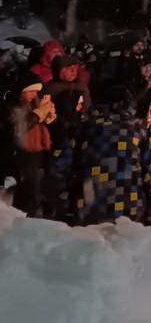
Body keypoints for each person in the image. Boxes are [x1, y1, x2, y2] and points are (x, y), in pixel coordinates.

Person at [75, 80, 151, 226]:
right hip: (131, 207)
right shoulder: (140, 128)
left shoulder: (84, 129)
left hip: (92, 207)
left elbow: (62, 169)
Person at [45, 55, 91, 222]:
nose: (73, 72)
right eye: (68, 69)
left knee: (78, 174)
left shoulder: (81, 87)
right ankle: (54, 208)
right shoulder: (51, 89)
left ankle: (76, 208)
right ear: (59, 71)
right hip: (58, 137)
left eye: (75, 68)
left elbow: (86, 108)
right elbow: (46, 113)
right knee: (57, 174)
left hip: (78, 136)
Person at [10, 74, 56, 216]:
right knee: (28, 188)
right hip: (22, 152)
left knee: (39, 186)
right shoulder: (15, 106)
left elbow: (43, 126)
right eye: (30, 91)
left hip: (38, 151)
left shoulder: (36, 103)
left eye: (36, 91)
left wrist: (49, 117)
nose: (33, 94)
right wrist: (37, 115)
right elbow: (19, 128)